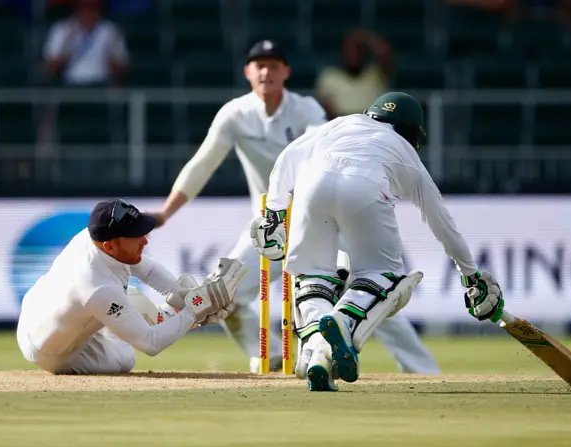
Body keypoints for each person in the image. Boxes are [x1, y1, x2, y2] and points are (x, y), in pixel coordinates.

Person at [152, 40, 440, 375]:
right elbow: (201, 165)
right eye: (259, 65)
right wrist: (164, 213)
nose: (266, 72)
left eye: (274, 65)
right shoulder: (234, 114)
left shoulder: (305, 110)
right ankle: (273, 358)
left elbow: (322, 150)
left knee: (364, 290)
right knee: (225, 295)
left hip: (321, 221)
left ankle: (422, 370)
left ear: (286, 72)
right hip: (269, 229)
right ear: (247, 72)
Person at [251, 92, 505, 391]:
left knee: (312, 274)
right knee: (383, 275)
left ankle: (317, 350)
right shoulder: (405, 152)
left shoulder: (341, 123)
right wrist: (470, 273)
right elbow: (441, 221)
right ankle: (343, 322)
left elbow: (288, 158)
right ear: (411, 131)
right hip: (364, 188)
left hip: (311, 186)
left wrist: (274, 215)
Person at [17, 198, 247, 374]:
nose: (145, 240)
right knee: (127, 356)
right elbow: (151, 342)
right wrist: (195, 310)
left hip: (39, 307)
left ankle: (157, 314)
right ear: (109, 247)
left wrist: (184, 297)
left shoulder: (94, 236)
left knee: (122, 300)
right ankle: (157, 315)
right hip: (52, 351)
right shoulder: (98, 287)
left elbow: (147, 269)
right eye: (136, 236)